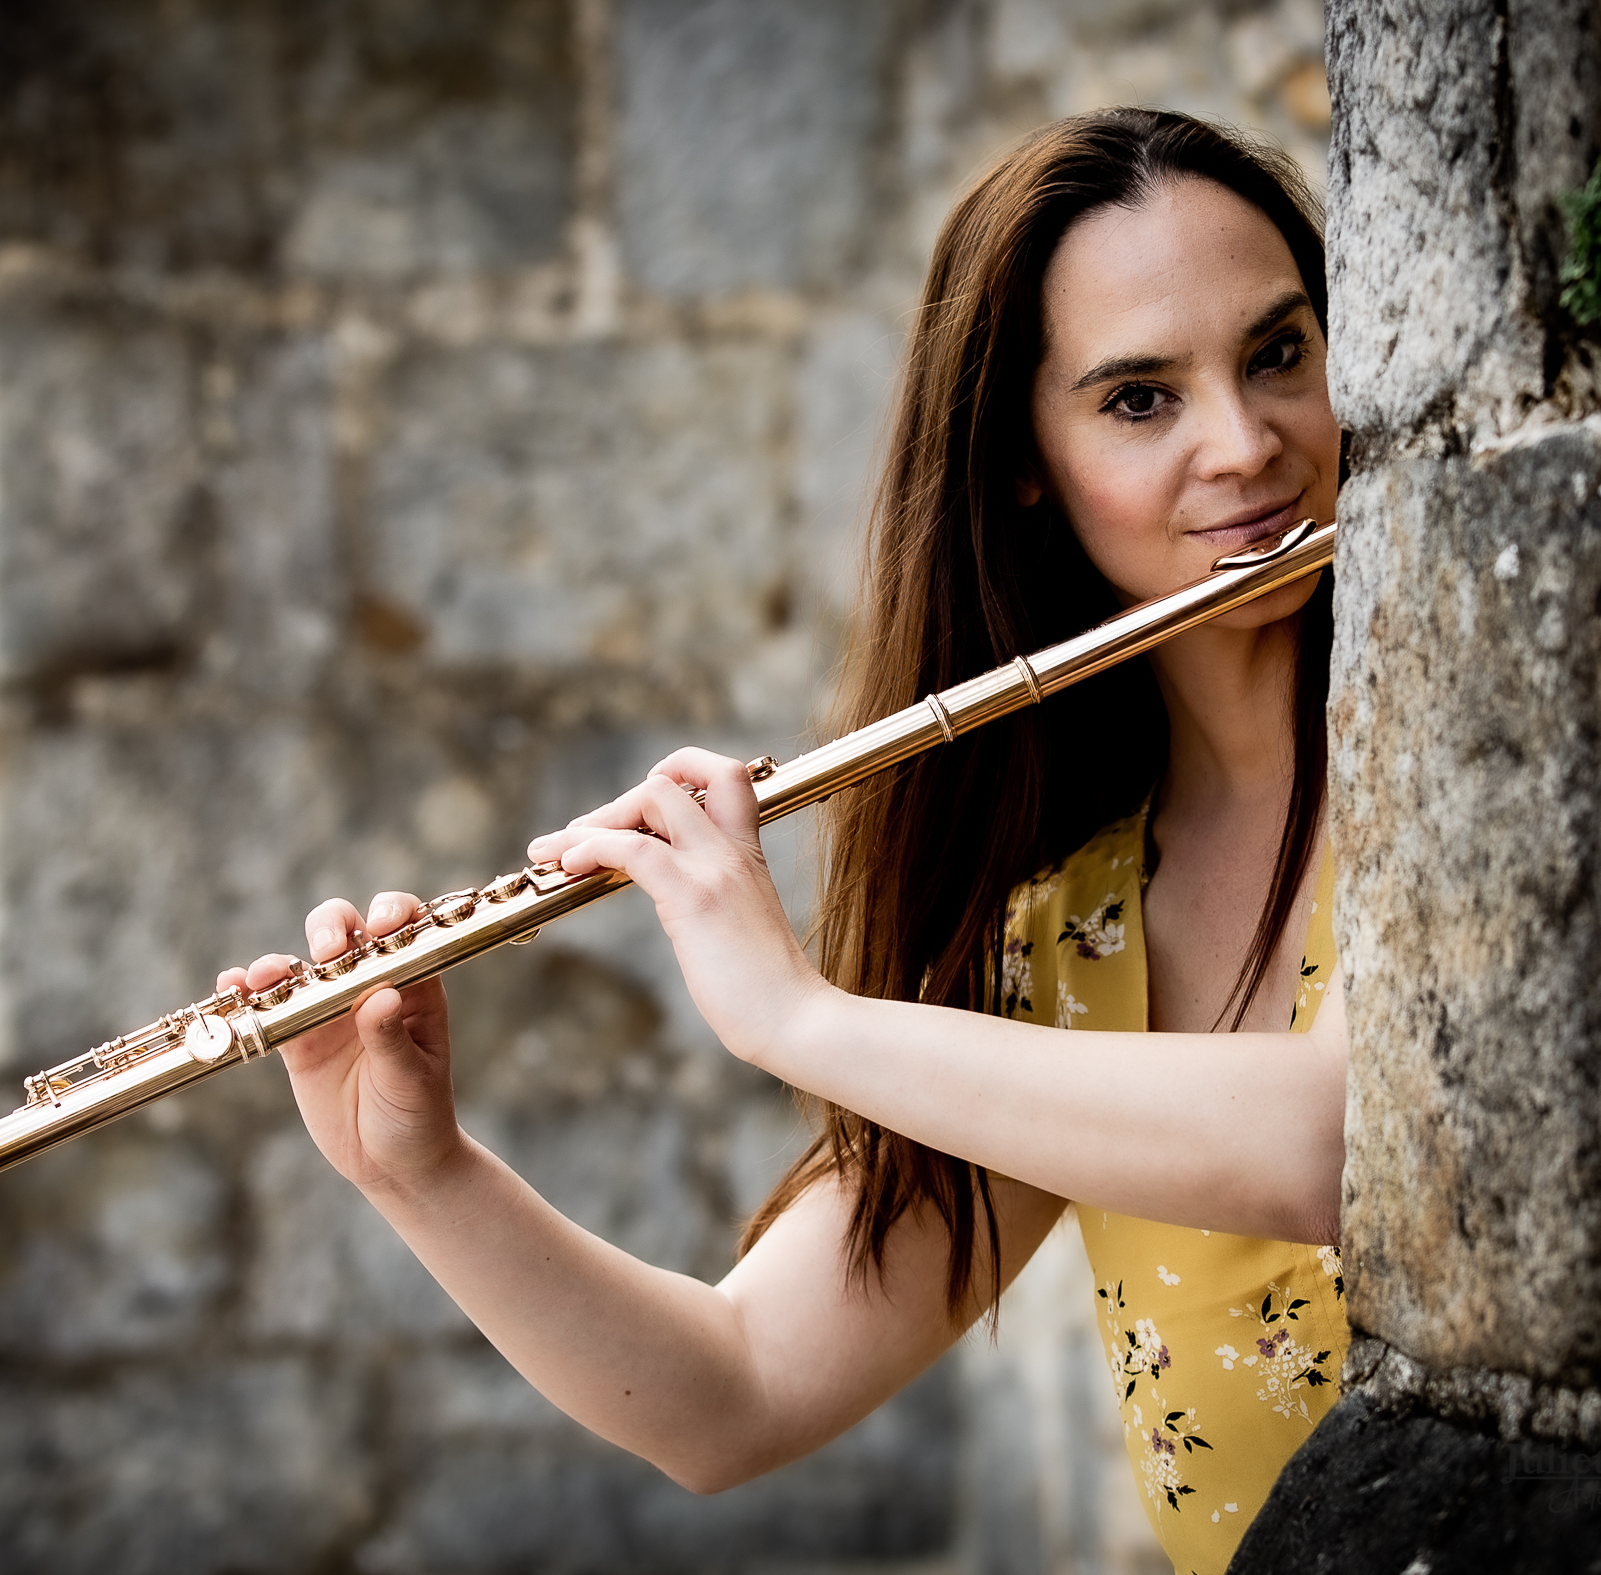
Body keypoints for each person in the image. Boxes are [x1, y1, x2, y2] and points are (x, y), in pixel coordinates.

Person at [218, 107, 1348, 1575]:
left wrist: (792, 1017)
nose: (1245, 444)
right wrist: (419, 1173)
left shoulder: (1453, 762)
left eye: (1275, 353)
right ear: (1023, 463)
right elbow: (732, 1393)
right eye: (1139, 400)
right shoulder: (1066, 937)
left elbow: (1345, 1141)